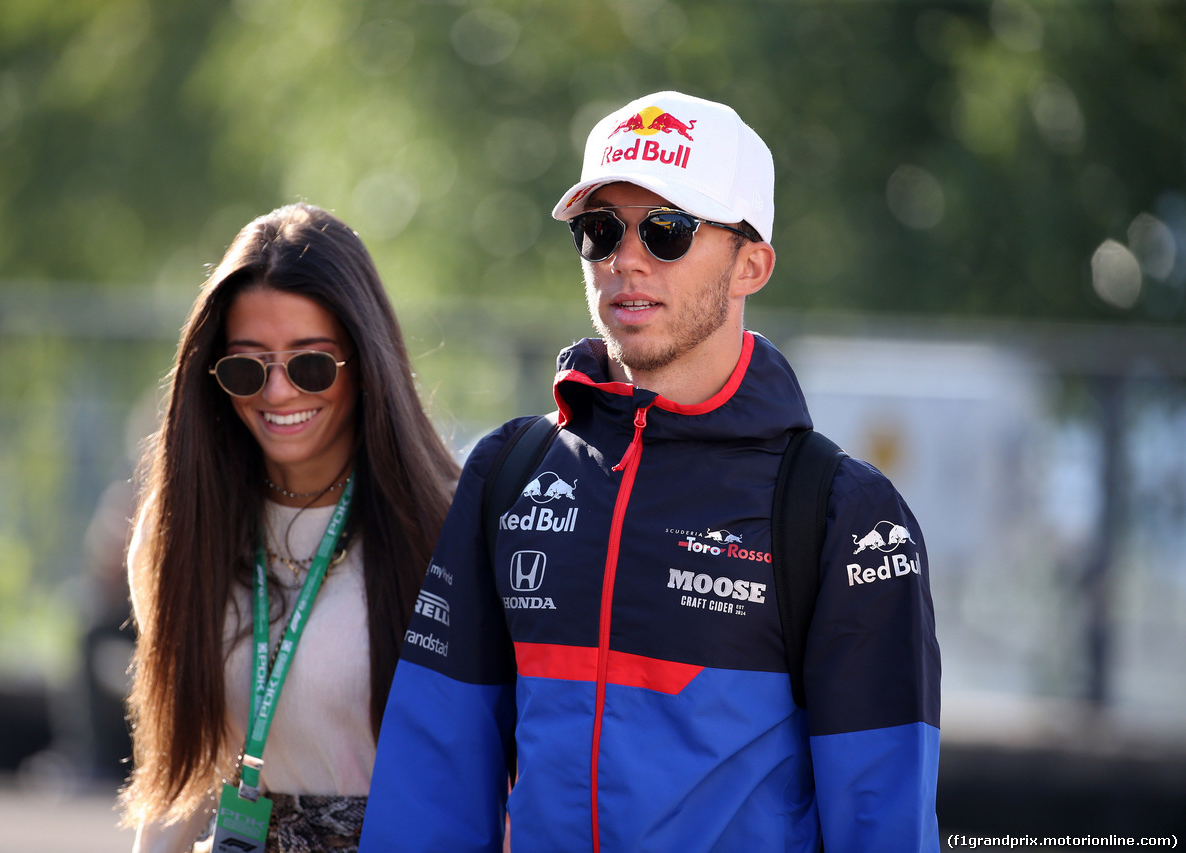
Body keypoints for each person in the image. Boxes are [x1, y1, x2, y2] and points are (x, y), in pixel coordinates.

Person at [360, 92, 941, 852]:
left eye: (667, 230)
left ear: (751, 264)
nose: (625, 258)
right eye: (600, 231)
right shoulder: (509, 471)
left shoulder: (847, 514)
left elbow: (885, 823)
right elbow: (430, 786)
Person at [120, 203, 459, 852]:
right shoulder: (179, 531)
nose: (277, 394)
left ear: (365, 361)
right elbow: (182, 777)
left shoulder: (447, 524)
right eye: (247, 367)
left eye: (309, 364)